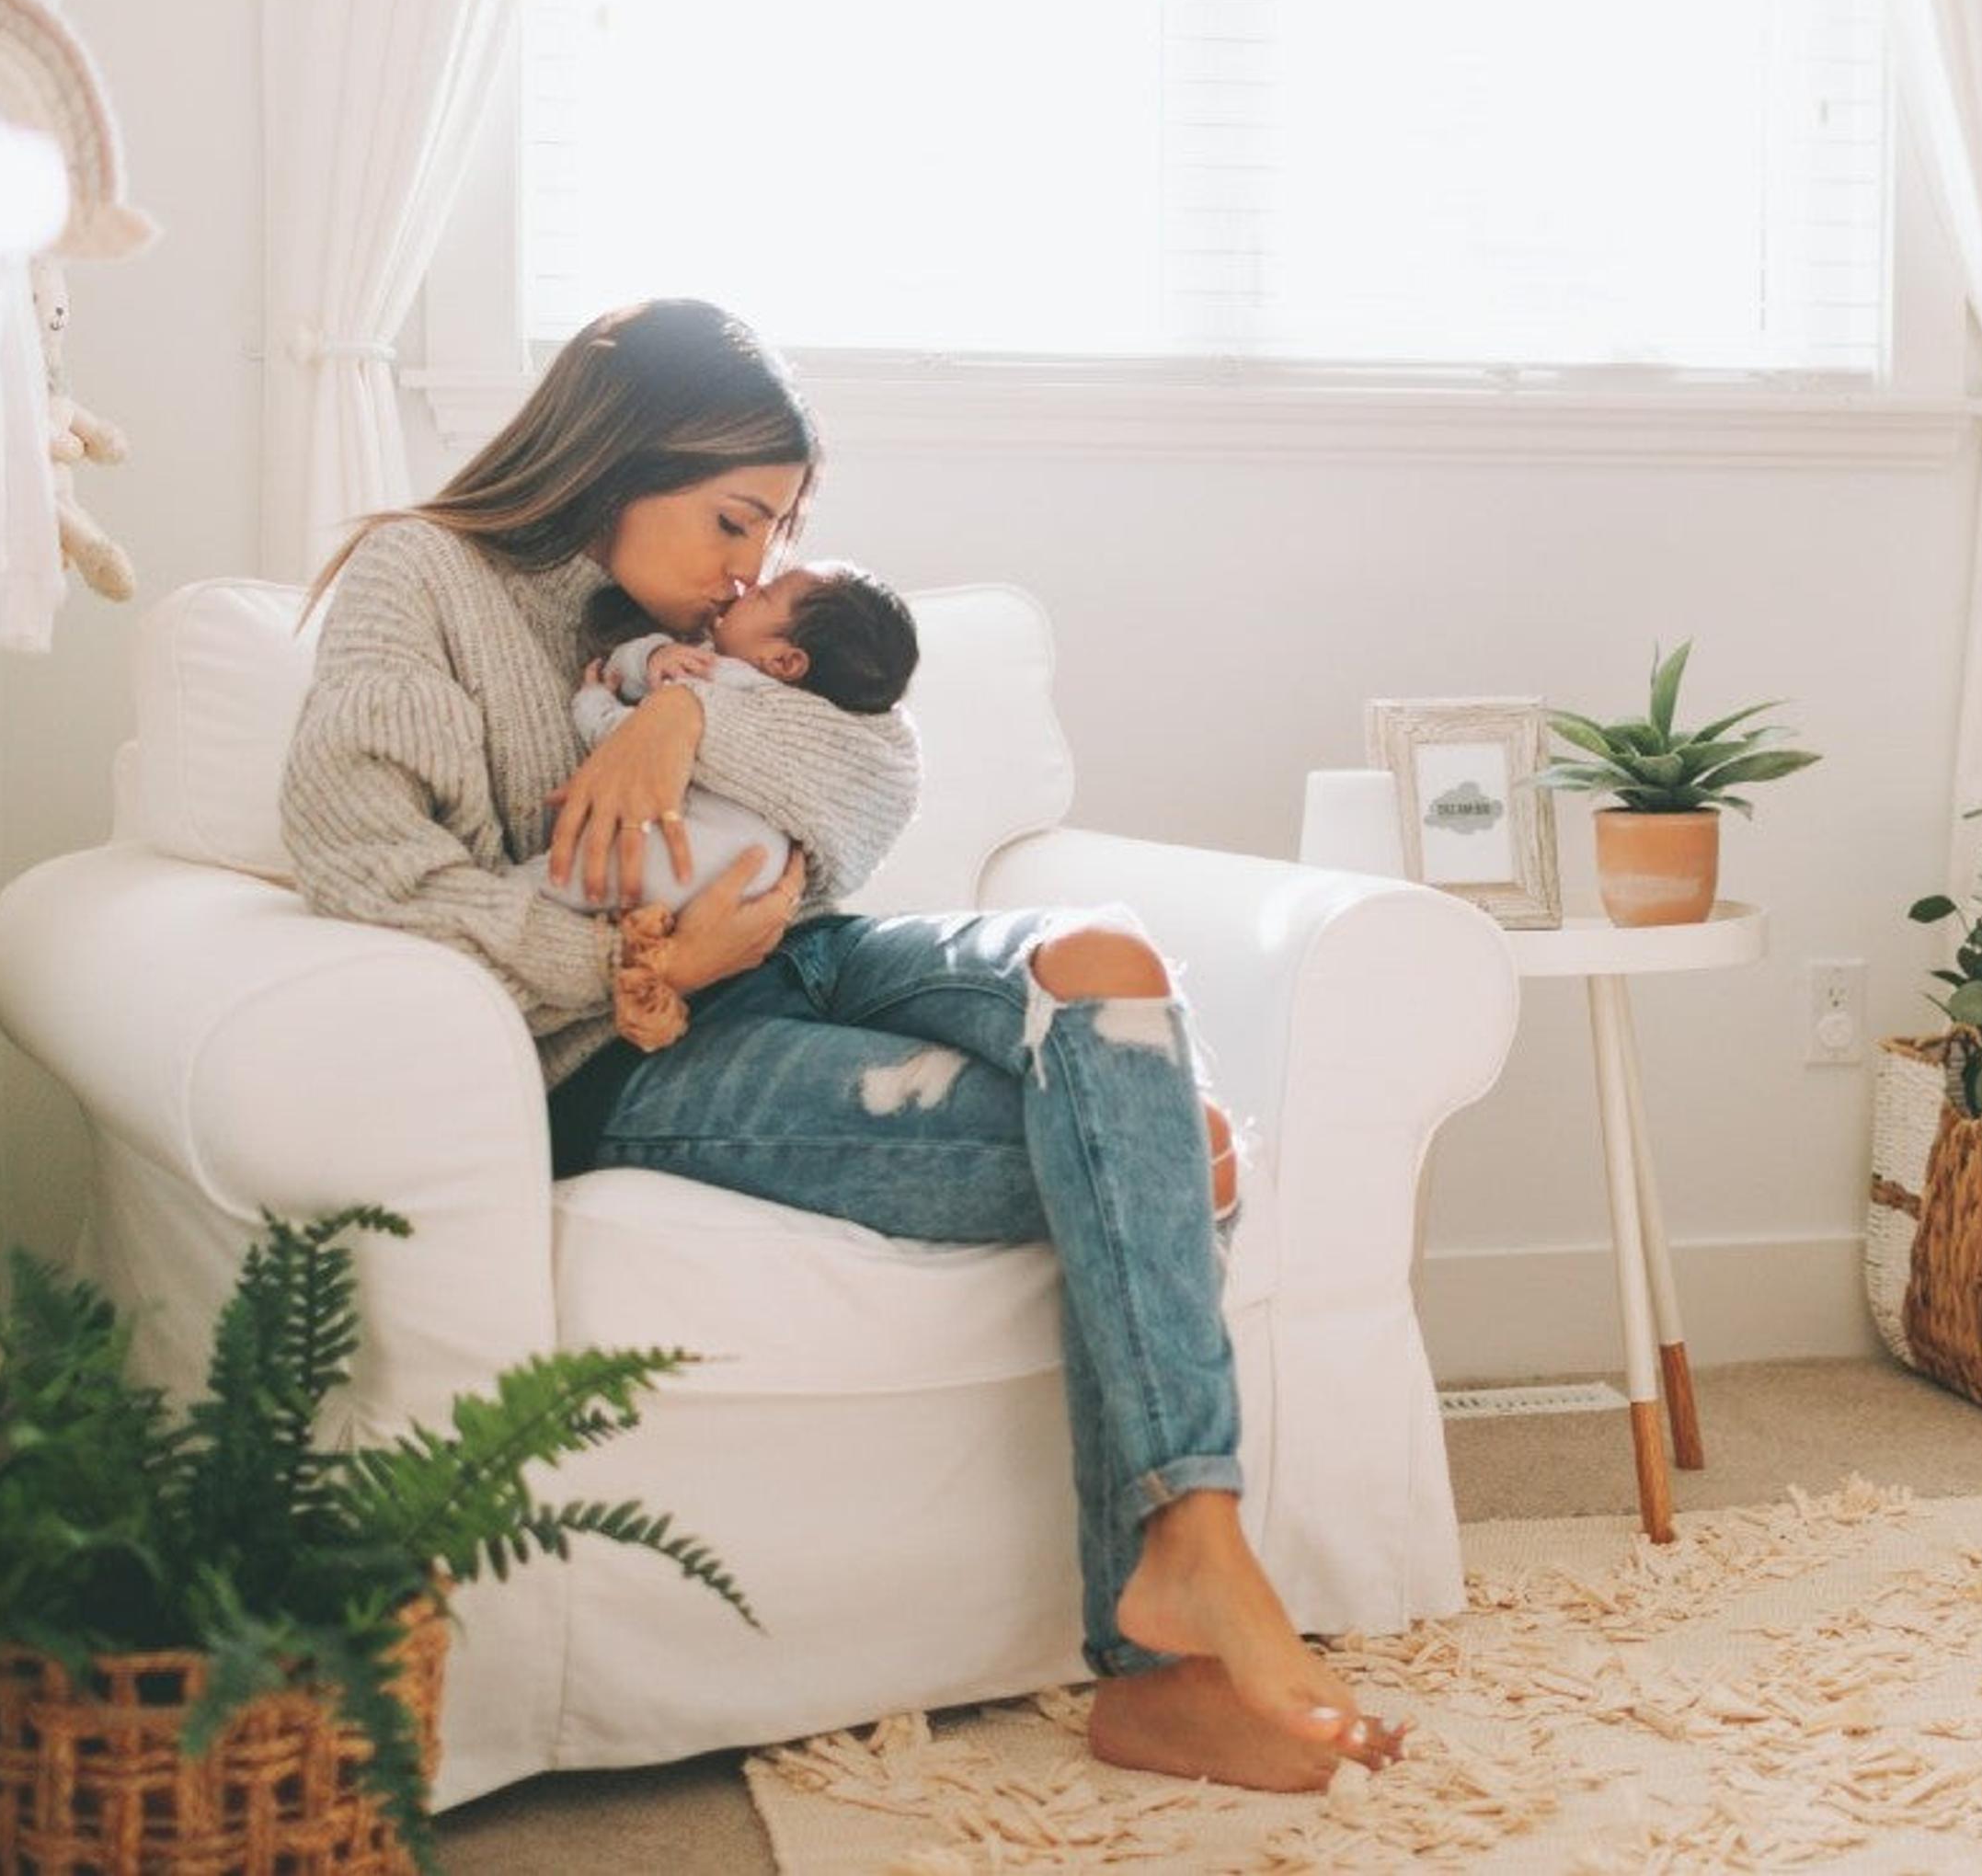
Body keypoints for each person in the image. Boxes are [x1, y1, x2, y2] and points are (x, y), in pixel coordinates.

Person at [278, 298, 1409, 1791]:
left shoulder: (700, 623)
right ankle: (1171, 1640)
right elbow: (358, 854)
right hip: (636, 1046)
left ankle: (1188, 1548)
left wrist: (683, 724)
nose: (754, 565)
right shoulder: (420, 578)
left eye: (781, 529)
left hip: (806, 951)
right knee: (1156, 1136)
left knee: (1106, 963)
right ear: (624, 452)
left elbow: (877, 787)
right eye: (737, 516)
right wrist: (636, 956)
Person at [541, 560, 921, 922]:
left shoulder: (724, 680)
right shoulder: (759, 692)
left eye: (765, 594)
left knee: (571, 878)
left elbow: (631, 743)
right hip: (745, 882)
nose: (751, 586)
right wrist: (660, 653)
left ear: (784, 662)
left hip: (686, 855)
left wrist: (595, 701)